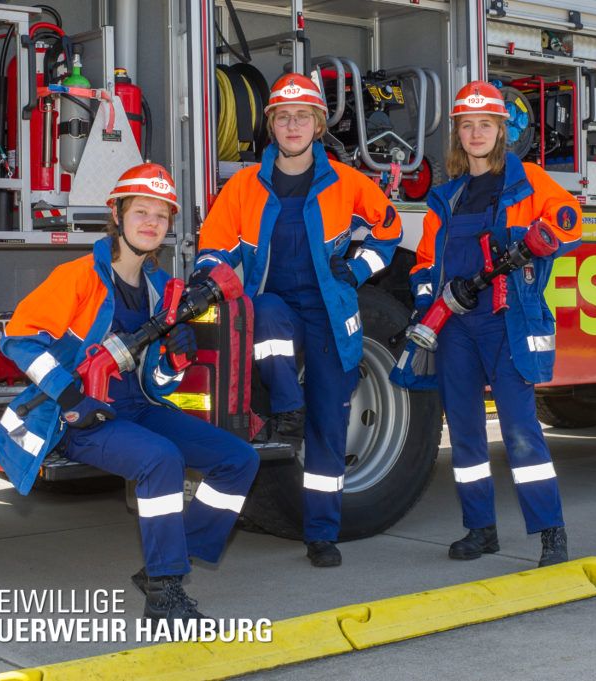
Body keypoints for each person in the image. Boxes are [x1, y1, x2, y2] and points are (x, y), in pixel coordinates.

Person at [0, 163, 259, 622]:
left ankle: (173, 552)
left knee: (239, 460)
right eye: (141, 211)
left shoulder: (160, 288)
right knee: (162, 460)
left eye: (161, 215)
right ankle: (164, 590)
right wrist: (70, 397)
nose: (151, 222)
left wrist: (176, 358)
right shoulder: (80, 277)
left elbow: (157, 383)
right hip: (81, 416)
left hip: (137, 409)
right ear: (116, 215)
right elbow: (19, 338)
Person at [194, 73, 401, 567]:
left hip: (330, 314)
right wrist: (211, 280)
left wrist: (356, 269)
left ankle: (322, 534)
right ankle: (288, 406)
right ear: (271, 125)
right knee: (262, 310)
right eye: (283, 117)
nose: (292, 125)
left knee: (330, 420)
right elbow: (212, 249)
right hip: (277, 306)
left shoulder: (347, 183)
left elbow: (388, 229)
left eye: (302, 116)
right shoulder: (244, 186)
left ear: (317, 125)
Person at [409, 81, 582, 567]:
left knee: (520, 428)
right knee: (463, 431)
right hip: (457, 327)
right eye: (468, 126)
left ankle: (551, 533)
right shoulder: (448, 197)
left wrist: (534, 240)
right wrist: (435, 299)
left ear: (501, 132)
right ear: (459, 136)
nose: (477, 133)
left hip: (507, 320)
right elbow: (425, 263)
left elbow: (569, 220)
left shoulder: (527, 181)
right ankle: (480, 530)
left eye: (486, 125)